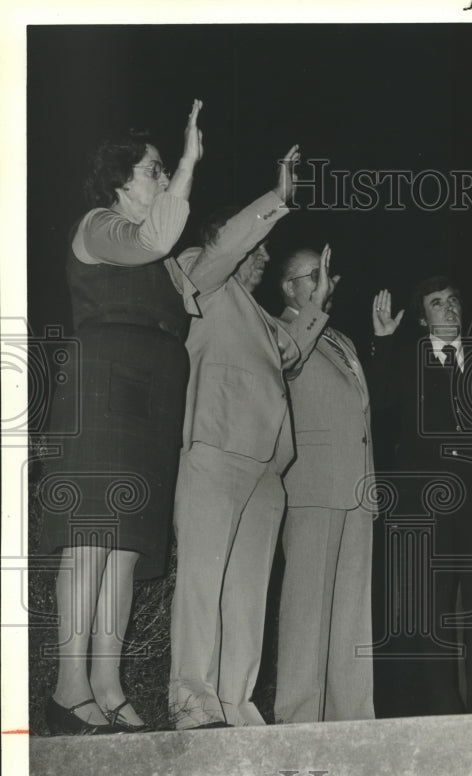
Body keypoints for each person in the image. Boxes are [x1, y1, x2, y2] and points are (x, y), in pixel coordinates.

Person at [37, 100, 204, 734]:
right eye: (154, 169)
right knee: (89, 541)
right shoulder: (100, 225)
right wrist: (190, 158)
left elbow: (178, 251)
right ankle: (67, 690)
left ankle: (106, 689)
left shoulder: (159, 261)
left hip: (151, 399)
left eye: (165, 169)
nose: (163, 179)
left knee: (127, 550)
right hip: (103, 389)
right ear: (120, 179)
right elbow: (157, 234)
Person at [168, 147, 331, 729]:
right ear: (227, 243)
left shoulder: (262, 317)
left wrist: (313, 306)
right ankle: (192, 700)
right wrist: (278, 201)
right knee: (203, 582)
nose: (261, 258)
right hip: (216, 451)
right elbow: (226, 248)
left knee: (246, 593)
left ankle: (234, 703)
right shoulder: (199, 275)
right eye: (254, 248)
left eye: (264, 251)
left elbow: (289, 355)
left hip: (266, 469)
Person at [367, 277, 472, 716]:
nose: (449, 308)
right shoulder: (404, 362)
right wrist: (381, 342)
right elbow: (378, 402)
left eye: (454, 300)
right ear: (421, 318)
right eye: (437, 303)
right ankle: (440, 717)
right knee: (430, 617)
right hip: (424, 507)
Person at [273, 245, 376, 723]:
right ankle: (298, 722)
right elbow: (289, 362)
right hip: (312, 486)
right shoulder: (280, 329)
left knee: (353, 617)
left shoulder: (343, 341)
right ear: (288, 288)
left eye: (327, 273)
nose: (324, 280)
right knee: (306, 612)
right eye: (313, 274)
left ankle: (352, 723)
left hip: (356, 490)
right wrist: (314, 310)